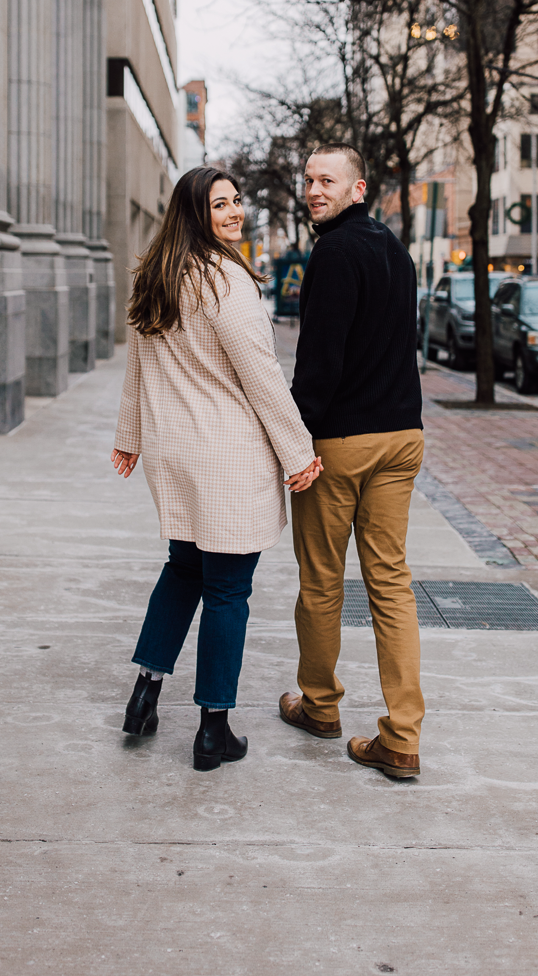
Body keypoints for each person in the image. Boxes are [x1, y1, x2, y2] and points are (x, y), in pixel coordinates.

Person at [111, 166, 320, 772]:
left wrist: (131, 438)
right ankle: (213, 729)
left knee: (182, 570)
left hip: (175, 453)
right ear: (193, 214)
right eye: (219, 205)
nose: (233, 213)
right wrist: (298, 452)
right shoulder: (227, 281)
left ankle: (144, 696)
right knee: (227, 588)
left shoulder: (157, 277)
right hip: (226, 455)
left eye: (236, 202)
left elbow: (137, 369)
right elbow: (263, 378)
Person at [279, 144, 425, 780]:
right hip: (402, 437)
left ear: (358, 188)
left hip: (342, 443)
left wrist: (292, 440)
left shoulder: (334, 252)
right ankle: (401, 736)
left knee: (321, 580)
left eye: (327, 181)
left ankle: (320, 705)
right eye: (309, 180)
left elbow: (320, 363)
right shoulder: (394, 249)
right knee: (390, 583)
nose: (314, 190)